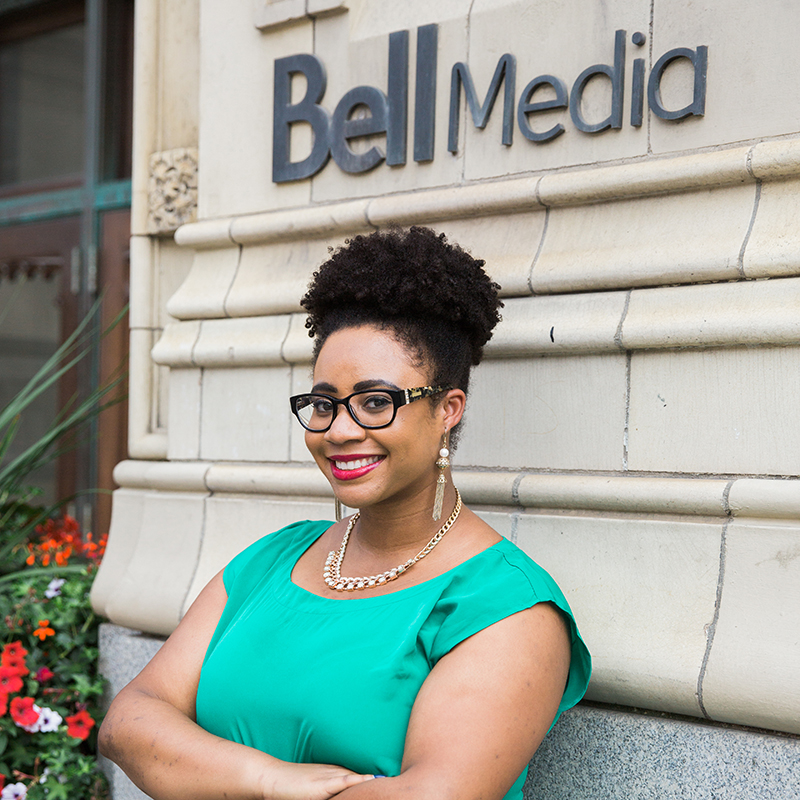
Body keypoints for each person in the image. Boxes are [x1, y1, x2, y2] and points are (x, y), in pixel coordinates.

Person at [99, 226, 591, 800]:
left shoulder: (502, 607)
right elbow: (129, 721)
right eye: (323, 403)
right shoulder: (273, 560)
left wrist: (197, 767)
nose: (340, 430)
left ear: (447, 410)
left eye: (377, 402)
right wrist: (271, 781)